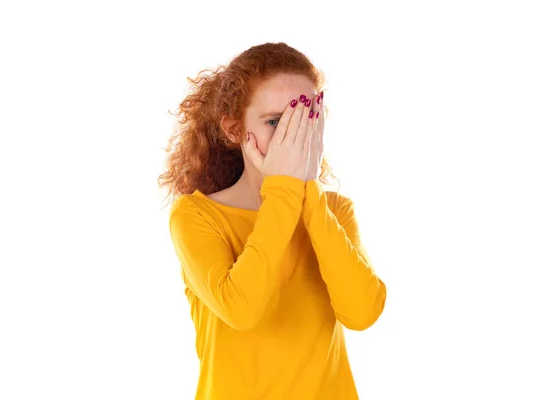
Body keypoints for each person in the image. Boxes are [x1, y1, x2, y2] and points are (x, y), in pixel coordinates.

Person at [158, 42, 387, 400]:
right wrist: (284, 191)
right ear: (235, 130)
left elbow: (362, 312)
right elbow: (242, 308)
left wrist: (308, 194)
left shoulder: (334, 211)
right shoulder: (195, 216)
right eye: (276, 122)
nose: (292, 138)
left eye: (305, 119)